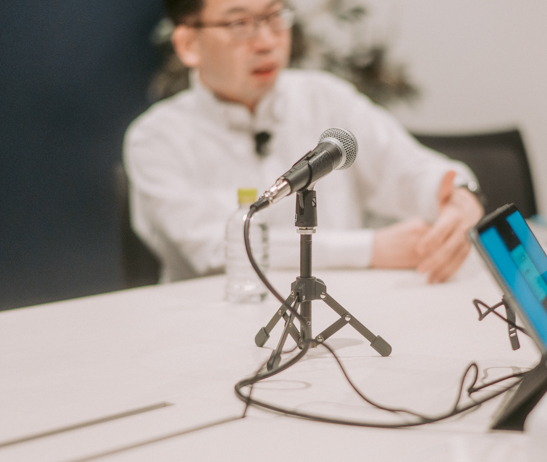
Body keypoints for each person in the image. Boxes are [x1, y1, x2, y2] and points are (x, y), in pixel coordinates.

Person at [124, 0, 484, 284]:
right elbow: (216, 248)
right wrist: (370, 249)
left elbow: (409, 168)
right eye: (239, 24)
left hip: (343, 305)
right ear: (188, 44)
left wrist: (459, 197)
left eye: (274, 16)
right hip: (213, 320)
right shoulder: (155, 139)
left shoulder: (325, 97)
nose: (267, 42)